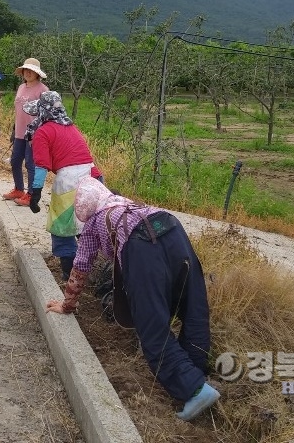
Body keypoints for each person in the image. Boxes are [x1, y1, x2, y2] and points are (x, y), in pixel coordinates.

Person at [46, 176, 220, 422]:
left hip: (142, 248)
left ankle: (196, 390)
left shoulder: (94, 221)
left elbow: (81, 266)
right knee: (193, 307)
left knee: (152, 326)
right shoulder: (126, 204)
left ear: (84, 209)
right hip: (172, 227)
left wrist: (67, 305)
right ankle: (196, 370)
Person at [24, 90, 101, 281]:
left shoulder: (43, 132)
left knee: (63, 227)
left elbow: (41, 166)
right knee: (86, 226)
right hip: (94, 178)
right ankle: (89, 268)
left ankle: (70, 274)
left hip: (69, 182)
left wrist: (35, 193)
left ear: (42, 110)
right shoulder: (71, 127)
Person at [4, 58, 49, 207]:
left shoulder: (43, 90)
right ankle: (18, 189)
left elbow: (46, 113)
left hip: (34, 134)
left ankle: (31, 195)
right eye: (26, 70)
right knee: (15, 161)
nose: (28, 73)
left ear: (37, 74)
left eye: (32, 71)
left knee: (31, 163)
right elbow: (18, 111)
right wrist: (14, 129)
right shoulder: (21, 87)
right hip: (19, 132)